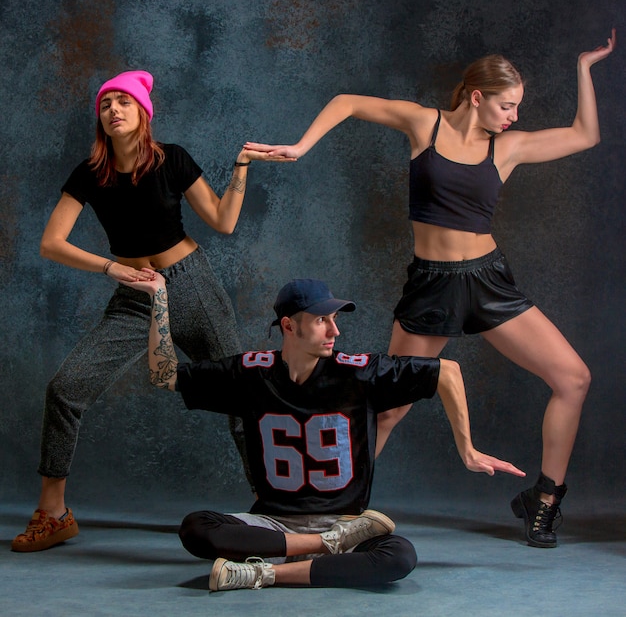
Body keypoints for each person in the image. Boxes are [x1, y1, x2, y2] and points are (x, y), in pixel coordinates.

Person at [243, 30, 617, 548]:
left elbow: (585, 134)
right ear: (476, 96)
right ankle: (325, 505)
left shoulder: (507, 148)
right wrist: (301, 147)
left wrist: (584, 65)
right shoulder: (426, 124)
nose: (514, 117)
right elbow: (348, 102)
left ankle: (545, 500)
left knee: (573, 378)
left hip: (488, 282)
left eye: (518, 108)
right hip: (432, 286)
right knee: (391, 408)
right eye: (507, 106)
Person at [11, 70, 293, 553]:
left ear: (143, 112)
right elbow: (50, 244)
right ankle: (54, 514)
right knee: (66, 388)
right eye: (106, 104)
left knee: (242, 392)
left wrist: (241, 166)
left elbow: (223, 222)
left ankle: (276, 506)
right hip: (135, 295)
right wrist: (111, 269)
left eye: (124, 101)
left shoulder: (172, 161)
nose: (114, 110)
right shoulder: (89, 174)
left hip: (193, 286)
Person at [129, 275, 524, 590]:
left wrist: (467, 449)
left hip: (345, 524)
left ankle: (262, 575)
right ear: (289, 326)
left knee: (399, 556)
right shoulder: (251, 373)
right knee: (196, 528)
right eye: (321, 320)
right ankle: (320, 550)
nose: (334, 330)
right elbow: (163, 375)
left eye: (335, 319)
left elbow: (447, 372)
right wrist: (158, 300)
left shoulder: (359, 371)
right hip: (276, 525)